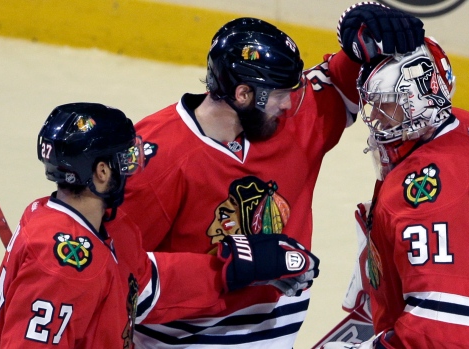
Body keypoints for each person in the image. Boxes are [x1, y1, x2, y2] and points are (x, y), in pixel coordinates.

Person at [113, 2, 425, 348]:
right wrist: (228, 270)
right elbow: (114, 274)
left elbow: (339, 83)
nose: (289, 105)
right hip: (184, 339)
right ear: (244, 94)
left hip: (277, 332)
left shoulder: (287, 121)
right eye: (279, 95)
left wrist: (367, 34)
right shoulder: (155, 162)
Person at [0, 103, 319, 348]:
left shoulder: (109, 228)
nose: (136, 165)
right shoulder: (63, 266)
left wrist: (234, 268)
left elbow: (144, 283)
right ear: (100, 172)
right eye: (126, 159)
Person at [326, 37, 469, 348]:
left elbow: (442, 328)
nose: (376, 117)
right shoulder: (461, 126)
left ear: (421, 100)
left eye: (388, 103)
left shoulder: (426, 198)